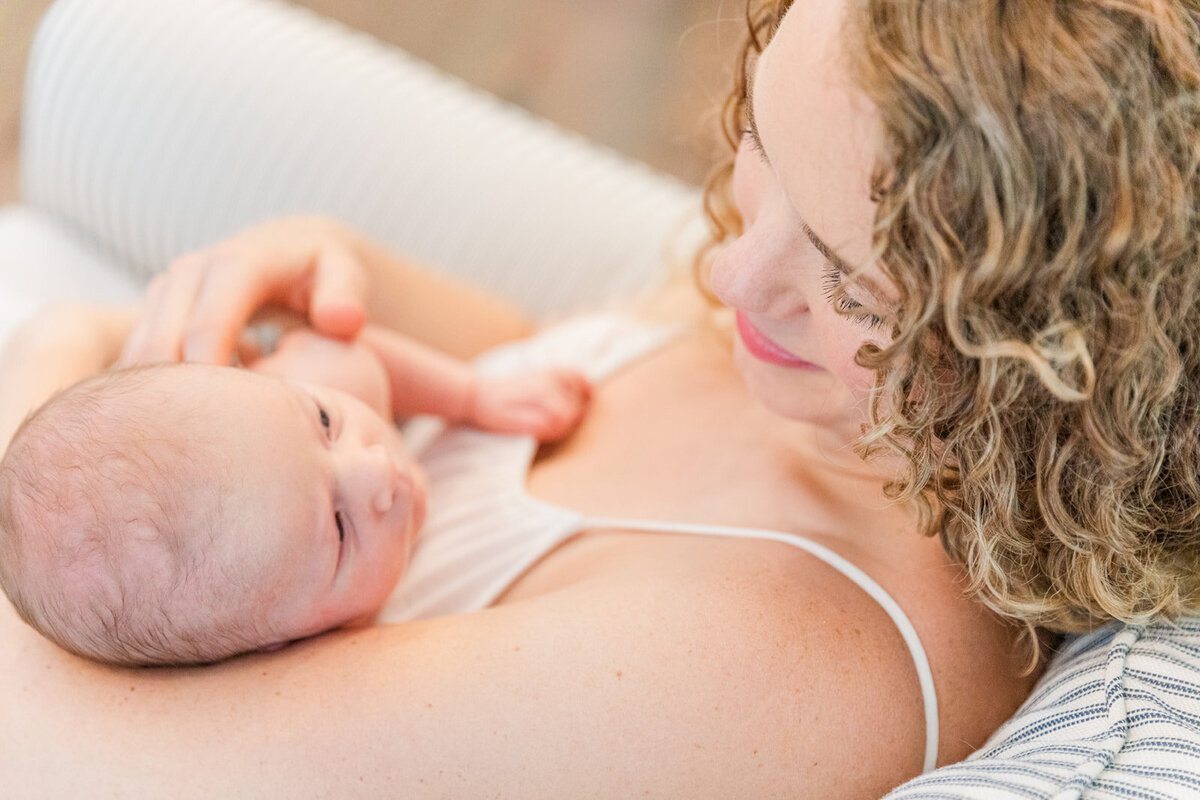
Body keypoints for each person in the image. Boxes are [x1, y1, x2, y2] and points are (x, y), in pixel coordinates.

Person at [1, 1, 1196, 796]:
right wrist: (341, 267)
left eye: (849, 284)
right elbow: (541, 366)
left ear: (1048, 364)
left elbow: (78, 760)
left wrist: (65, 344)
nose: (729, 267)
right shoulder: (836, 375)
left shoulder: (788, 661)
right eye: (763, 145)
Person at [0, 321, 590, 666]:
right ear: (278, 643)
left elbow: (357, 355)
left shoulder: (299, 405)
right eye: (337, 529)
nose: (377, 468)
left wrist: (472, 396)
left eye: (327, 423)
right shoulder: (345, 658)